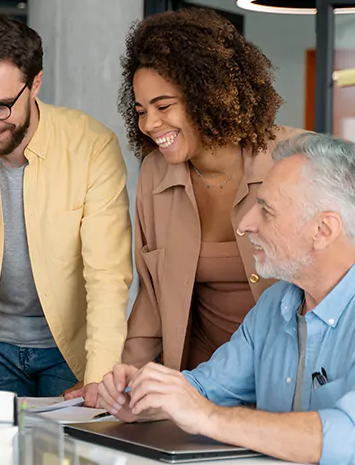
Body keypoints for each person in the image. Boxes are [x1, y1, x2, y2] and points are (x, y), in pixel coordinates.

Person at [69, 8, 304, 405]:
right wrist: (115, 382)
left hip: (287, 384)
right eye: (141, 110)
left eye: (164, 106)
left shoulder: (296, 161)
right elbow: (152, 297)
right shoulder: (154, 175)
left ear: (208, 95)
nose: (149, 124)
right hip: (198, 387)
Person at [96, 133, 355, 464]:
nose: (245, 225)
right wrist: (143, 395)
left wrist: (207, 415)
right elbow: (204, 388)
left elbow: (348, 438)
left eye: (266, 210)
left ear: (323, 230)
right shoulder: (275, 305)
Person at [0, 14, 132, 398]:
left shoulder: (92, 146)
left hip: (69, 350)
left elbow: (107, 275)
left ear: (35, 83)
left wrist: (99, 376)